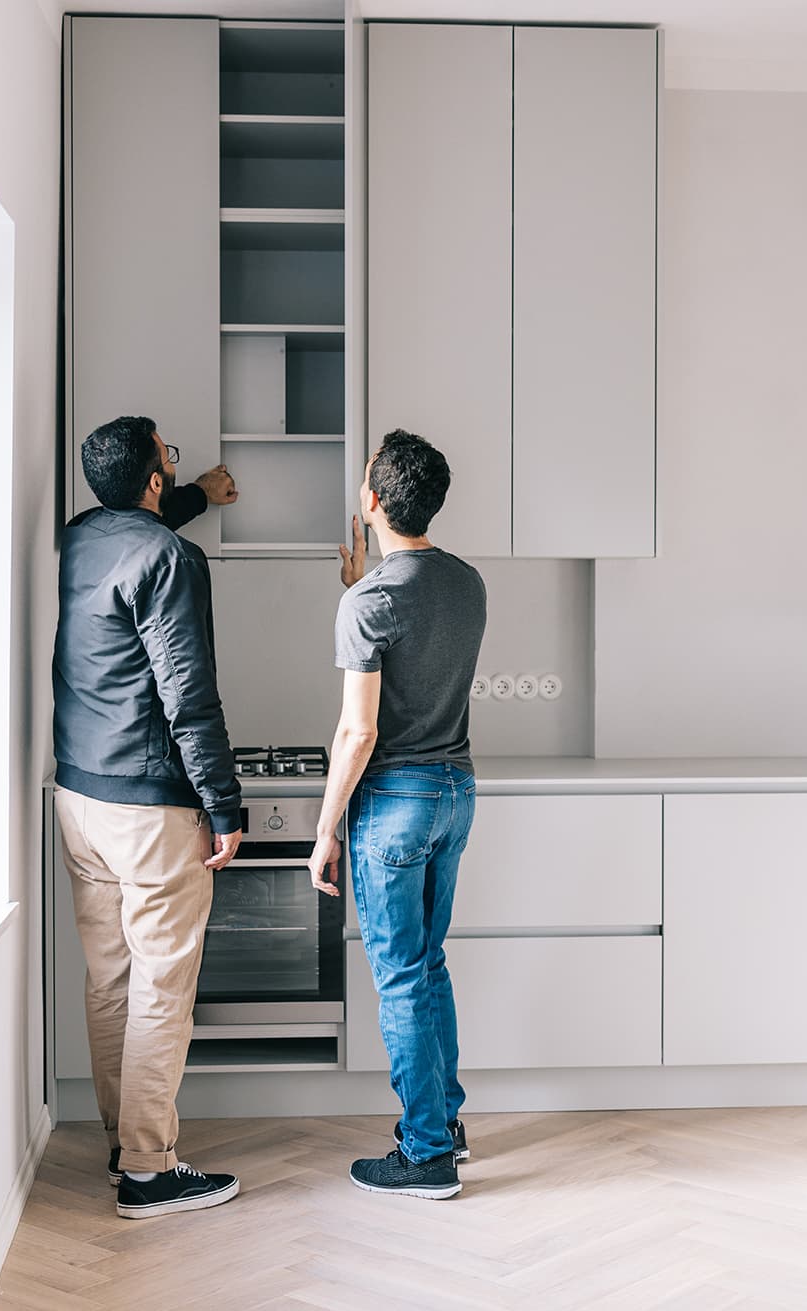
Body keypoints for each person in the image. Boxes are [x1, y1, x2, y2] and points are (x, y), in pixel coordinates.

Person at [52, 415, 244, 1219]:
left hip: (78, 798)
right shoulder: (171, 558)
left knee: (111, 979)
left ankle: (118, 1141)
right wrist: (224, 805)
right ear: (153, 480)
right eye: (168, 454)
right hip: (147, 804)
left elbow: (141, 528)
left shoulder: (79, 537)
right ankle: (149, 1168)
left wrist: (196, 491)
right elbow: (187, 695)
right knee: (162, 984)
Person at [309, 430, 488, 1200]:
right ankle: (443, 1125)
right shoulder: (467, 583)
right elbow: (415, 619)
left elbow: (359, 731)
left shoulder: (369, 601)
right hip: (455, 791)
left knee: (401, 977)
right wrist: (363, 583)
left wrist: (324, 830)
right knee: (429, 962)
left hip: (395, 804)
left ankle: (424, 1156)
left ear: (371, 499)